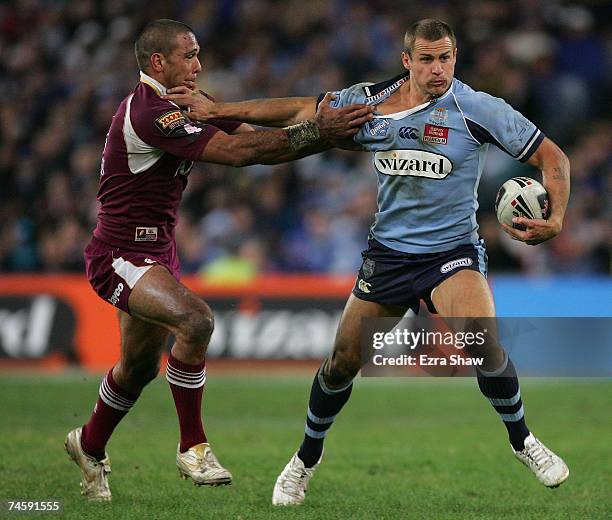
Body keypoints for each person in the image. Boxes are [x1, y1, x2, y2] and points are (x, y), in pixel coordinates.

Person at [164, 19, 571, 505]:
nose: (437, 69)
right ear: (407, 61)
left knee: (482, 343)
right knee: (340, 365)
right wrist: (221, 110)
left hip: (452, 253)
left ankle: (524, 441)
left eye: (445, 58)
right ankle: (303, 461)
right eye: (426, 59)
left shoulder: (478, 108)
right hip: (389, 258)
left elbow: (554, 158)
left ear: (455, 58)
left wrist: (557, 219)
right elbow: (301, 109)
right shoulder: (368, 103)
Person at [64, 19, 373, 502]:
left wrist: (329, 134)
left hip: (157, 254)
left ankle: (88, 443)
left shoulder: (186, 103)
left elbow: (254, 136)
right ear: (158, 62)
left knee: (138, 369)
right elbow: (237, 152)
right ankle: (193, 446)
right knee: (196, 320)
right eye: (188, 55)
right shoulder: (149, 113)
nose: (198, 64)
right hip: (120, 254)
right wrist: (319, 130)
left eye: (198, 53)